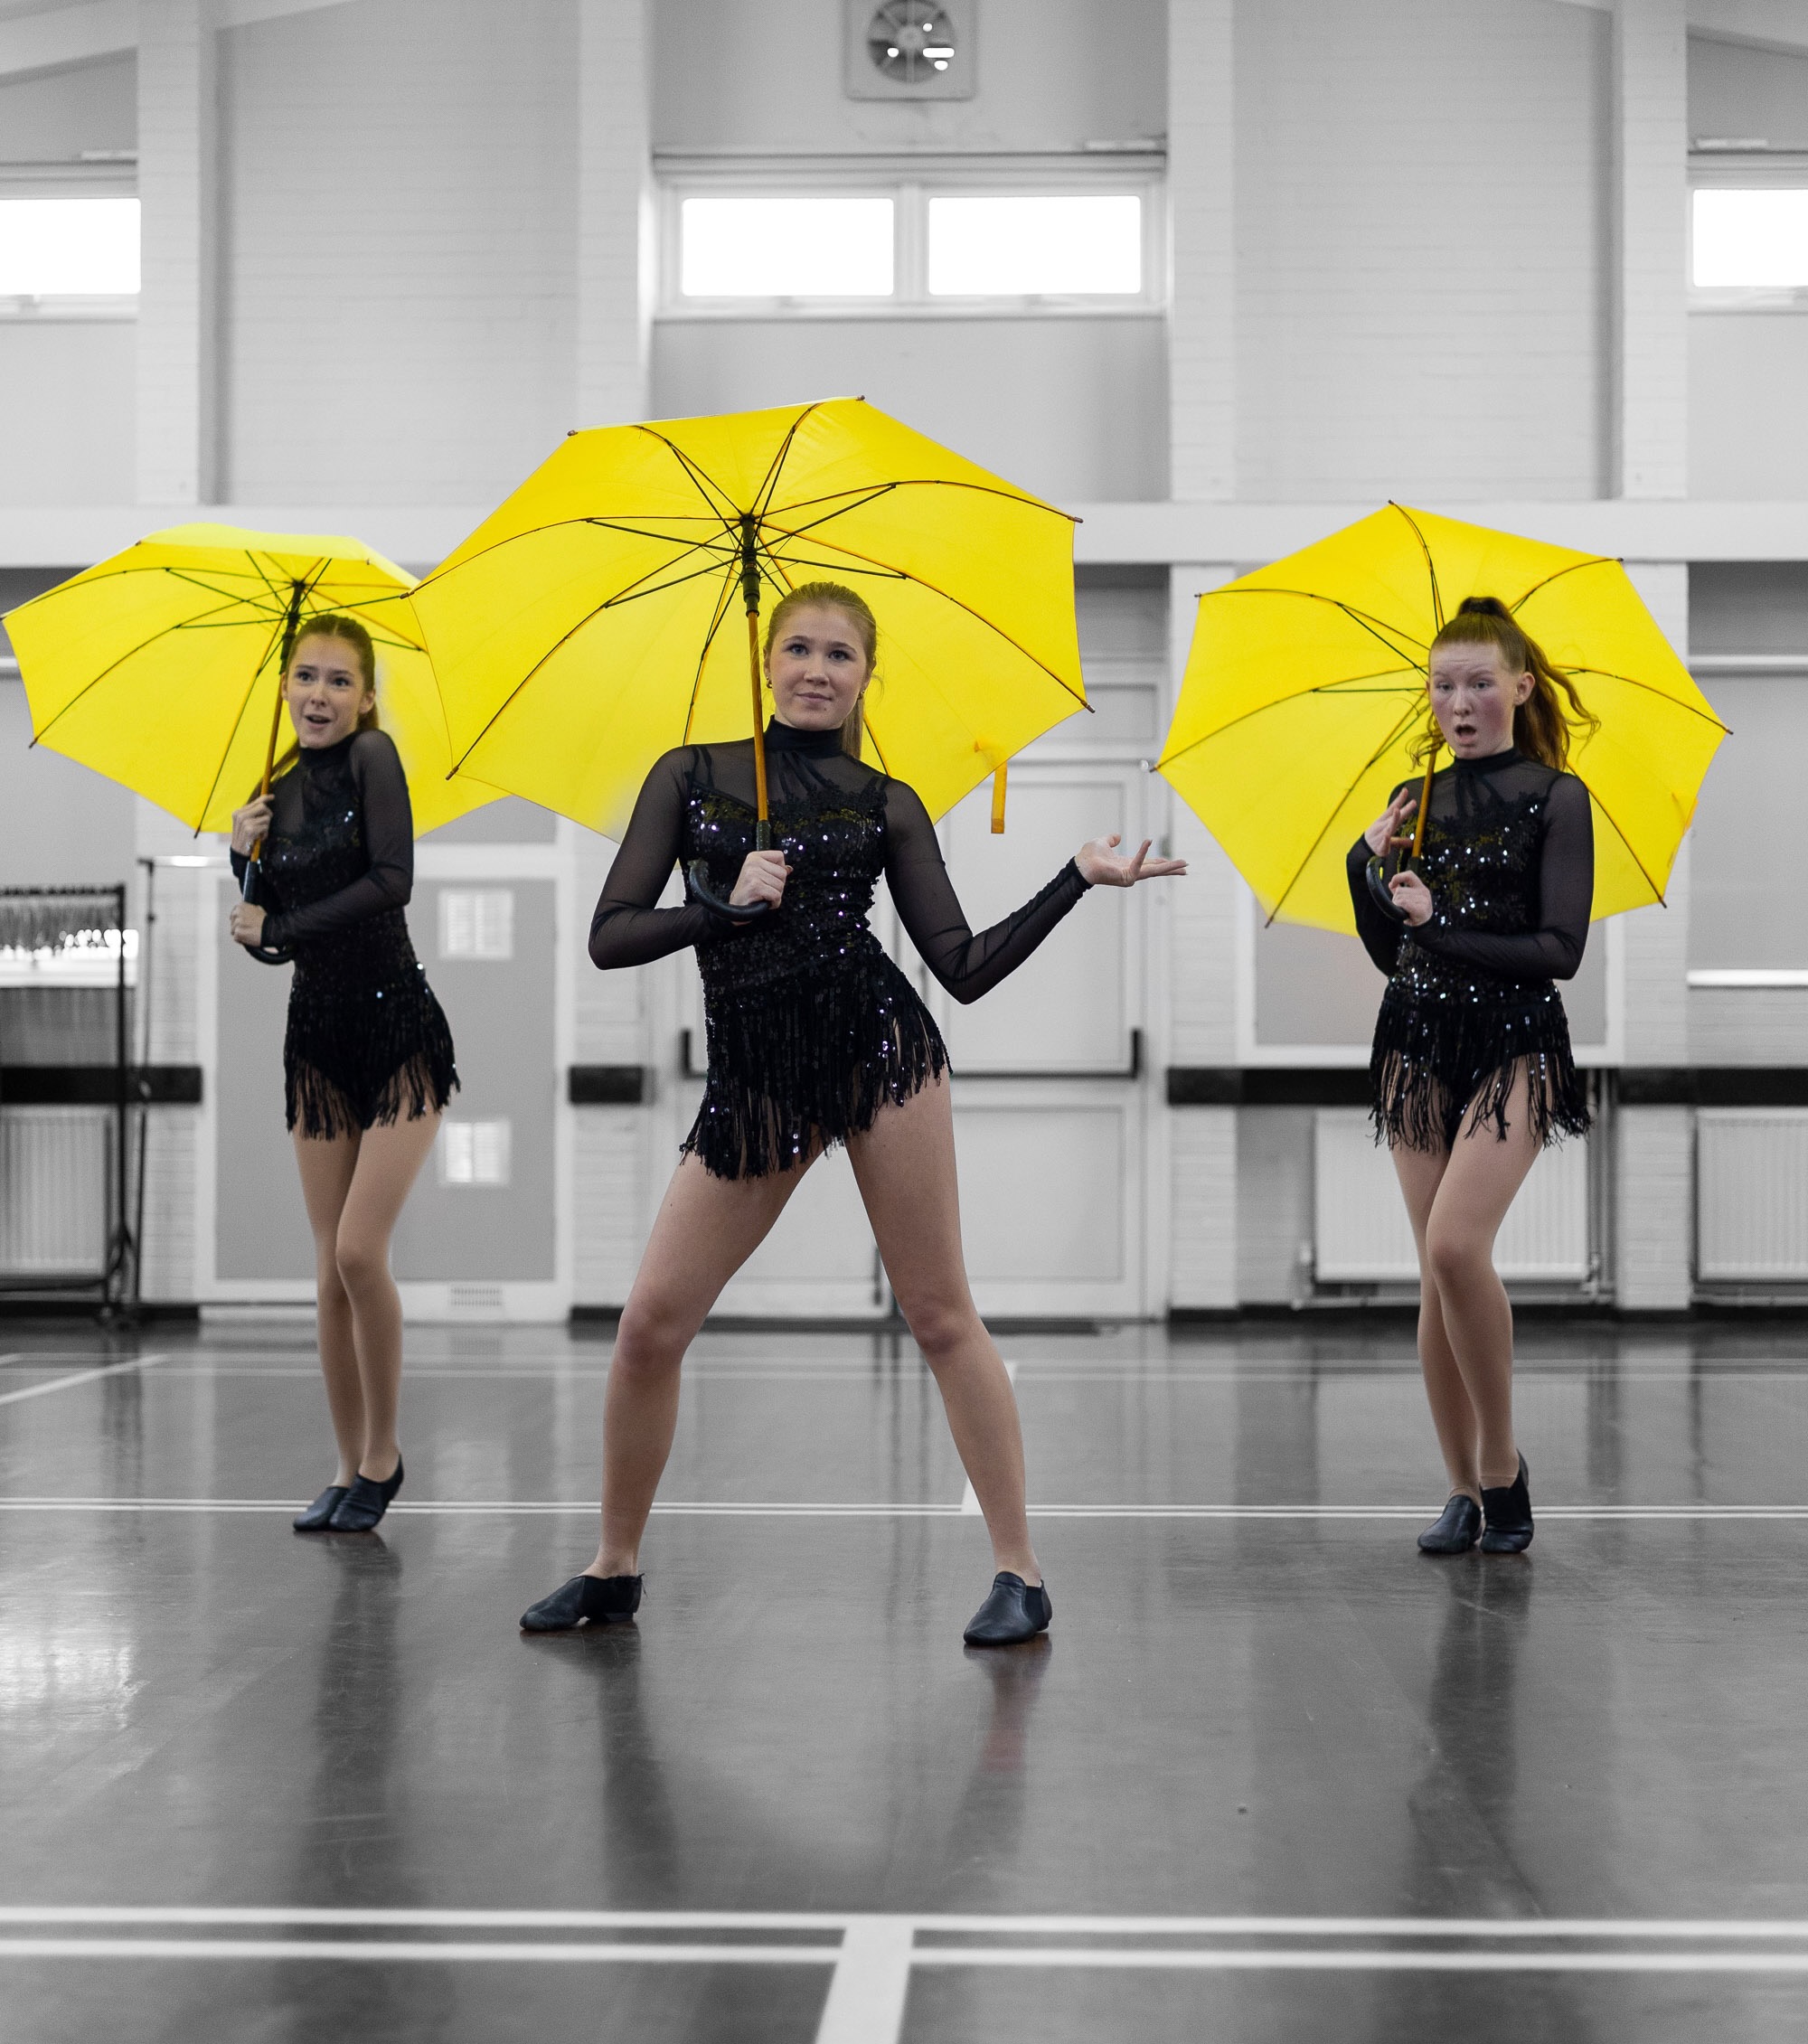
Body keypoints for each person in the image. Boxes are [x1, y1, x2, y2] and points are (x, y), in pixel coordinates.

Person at [520, 581, 1183, 1648]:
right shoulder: (688, 776)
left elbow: (961, 968)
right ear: (765, 661)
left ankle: (1019, 1570)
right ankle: (613, 1566)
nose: (817, 669)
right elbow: (610, 934)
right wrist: (722, 905)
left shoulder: (888, 801)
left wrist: (1073, 878)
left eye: (840, 654)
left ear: (867, 677)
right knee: (649, 1326)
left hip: (877, 1050)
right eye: (798, 648)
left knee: (937, 1311)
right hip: (757, 1075)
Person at [1348, 595, 1595, 1561]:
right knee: (1432, 1279)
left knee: (1456, 1248)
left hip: (1513, 1043)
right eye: (1442, 684)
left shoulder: (1555, 795)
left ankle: (1500, 1465)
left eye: (1478, 682)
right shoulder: (1414, 802)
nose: (1457, 700)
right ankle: (1458, 1489)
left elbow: (1557, 949)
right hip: (1415, 1041)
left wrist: (1433, 926)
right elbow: (1384, 950)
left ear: (1517, 688)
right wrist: (1368, 868)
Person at [229, 613, 457, 1536]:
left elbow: (391, 879)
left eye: (336, 680)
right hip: (316, 1040)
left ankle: (385, 1455)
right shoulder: (266, 792)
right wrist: (238, 859)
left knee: (361, 1251)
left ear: (364, 695)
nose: (318, 695)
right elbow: (260, 941)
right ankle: (343, 1464)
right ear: (283, 688)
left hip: (396, 1028)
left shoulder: (374, 758)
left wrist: (279, 927)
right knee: (326, 1270)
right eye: (304, 677)